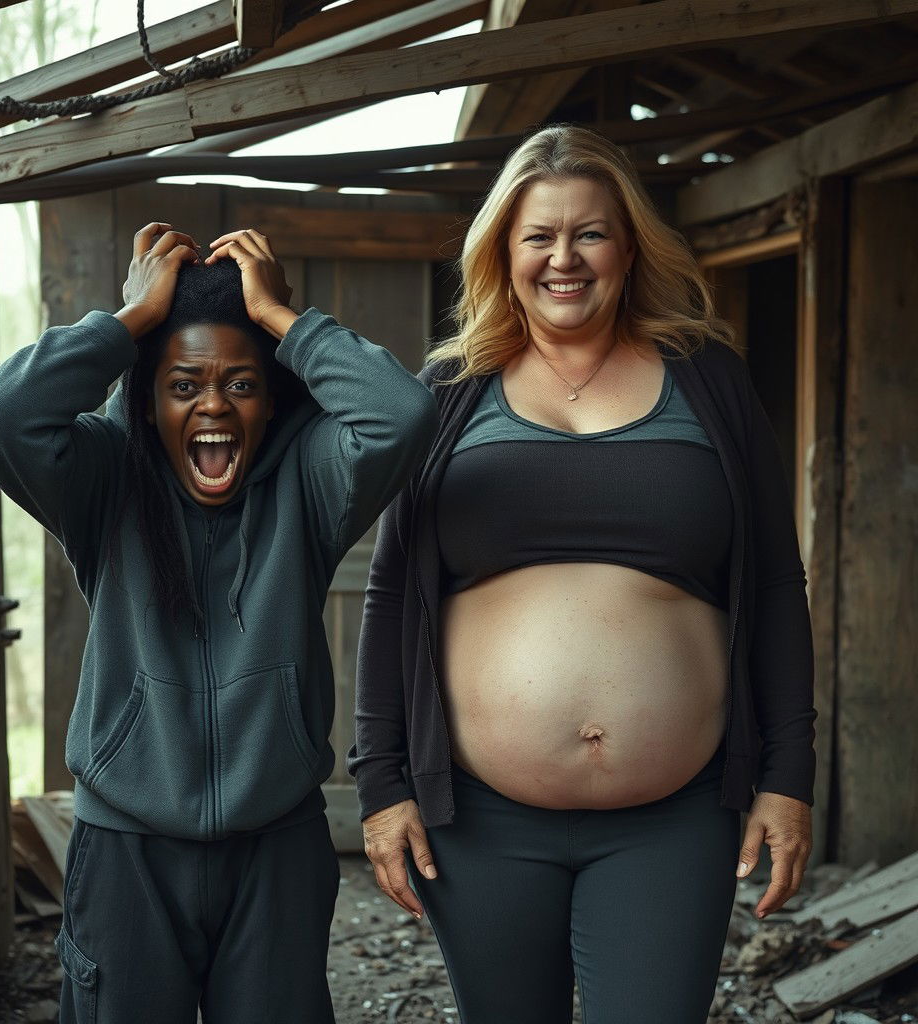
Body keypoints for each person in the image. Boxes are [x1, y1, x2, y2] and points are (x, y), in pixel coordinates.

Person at [349, 125, 817, 1024]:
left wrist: (787, 778)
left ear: (629, 244)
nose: (564, 258)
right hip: (480, 823)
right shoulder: (450, 393)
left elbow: (771, 588)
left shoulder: (708, 380)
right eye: (539, 237)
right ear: (503, 253)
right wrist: (384, 785)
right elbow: (393, 592)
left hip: (673, 820)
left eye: (589, 233)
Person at [0, 222, 438, 1023]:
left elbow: (401, 413)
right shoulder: (103, 483)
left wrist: (283, 317)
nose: (213, 403)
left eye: (241, 384)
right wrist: (130, 322)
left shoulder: (311, 486)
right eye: (184, 384)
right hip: (127, 853)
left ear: (271, 398)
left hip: (276, 847)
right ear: (149, 401)